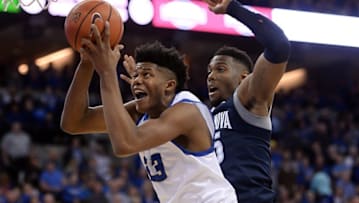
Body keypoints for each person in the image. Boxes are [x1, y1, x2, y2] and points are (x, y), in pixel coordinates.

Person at [60, 22, 237, 202]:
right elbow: (74, 122)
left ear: (169, 85)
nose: (136, 80)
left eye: (146, 75)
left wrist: (107, 72)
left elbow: (125, 144)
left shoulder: (187, 110)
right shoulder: (142, 112)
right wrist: (87, 63)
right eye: (136, 75)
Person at [204, 0, 291, 202]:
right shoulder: (203, 115)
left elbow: (278, 46)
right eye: (209, 71)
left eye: (220, 69)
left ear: (244, 78)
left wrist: (233, 8)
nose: (210, 76)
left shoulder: (245, 101)